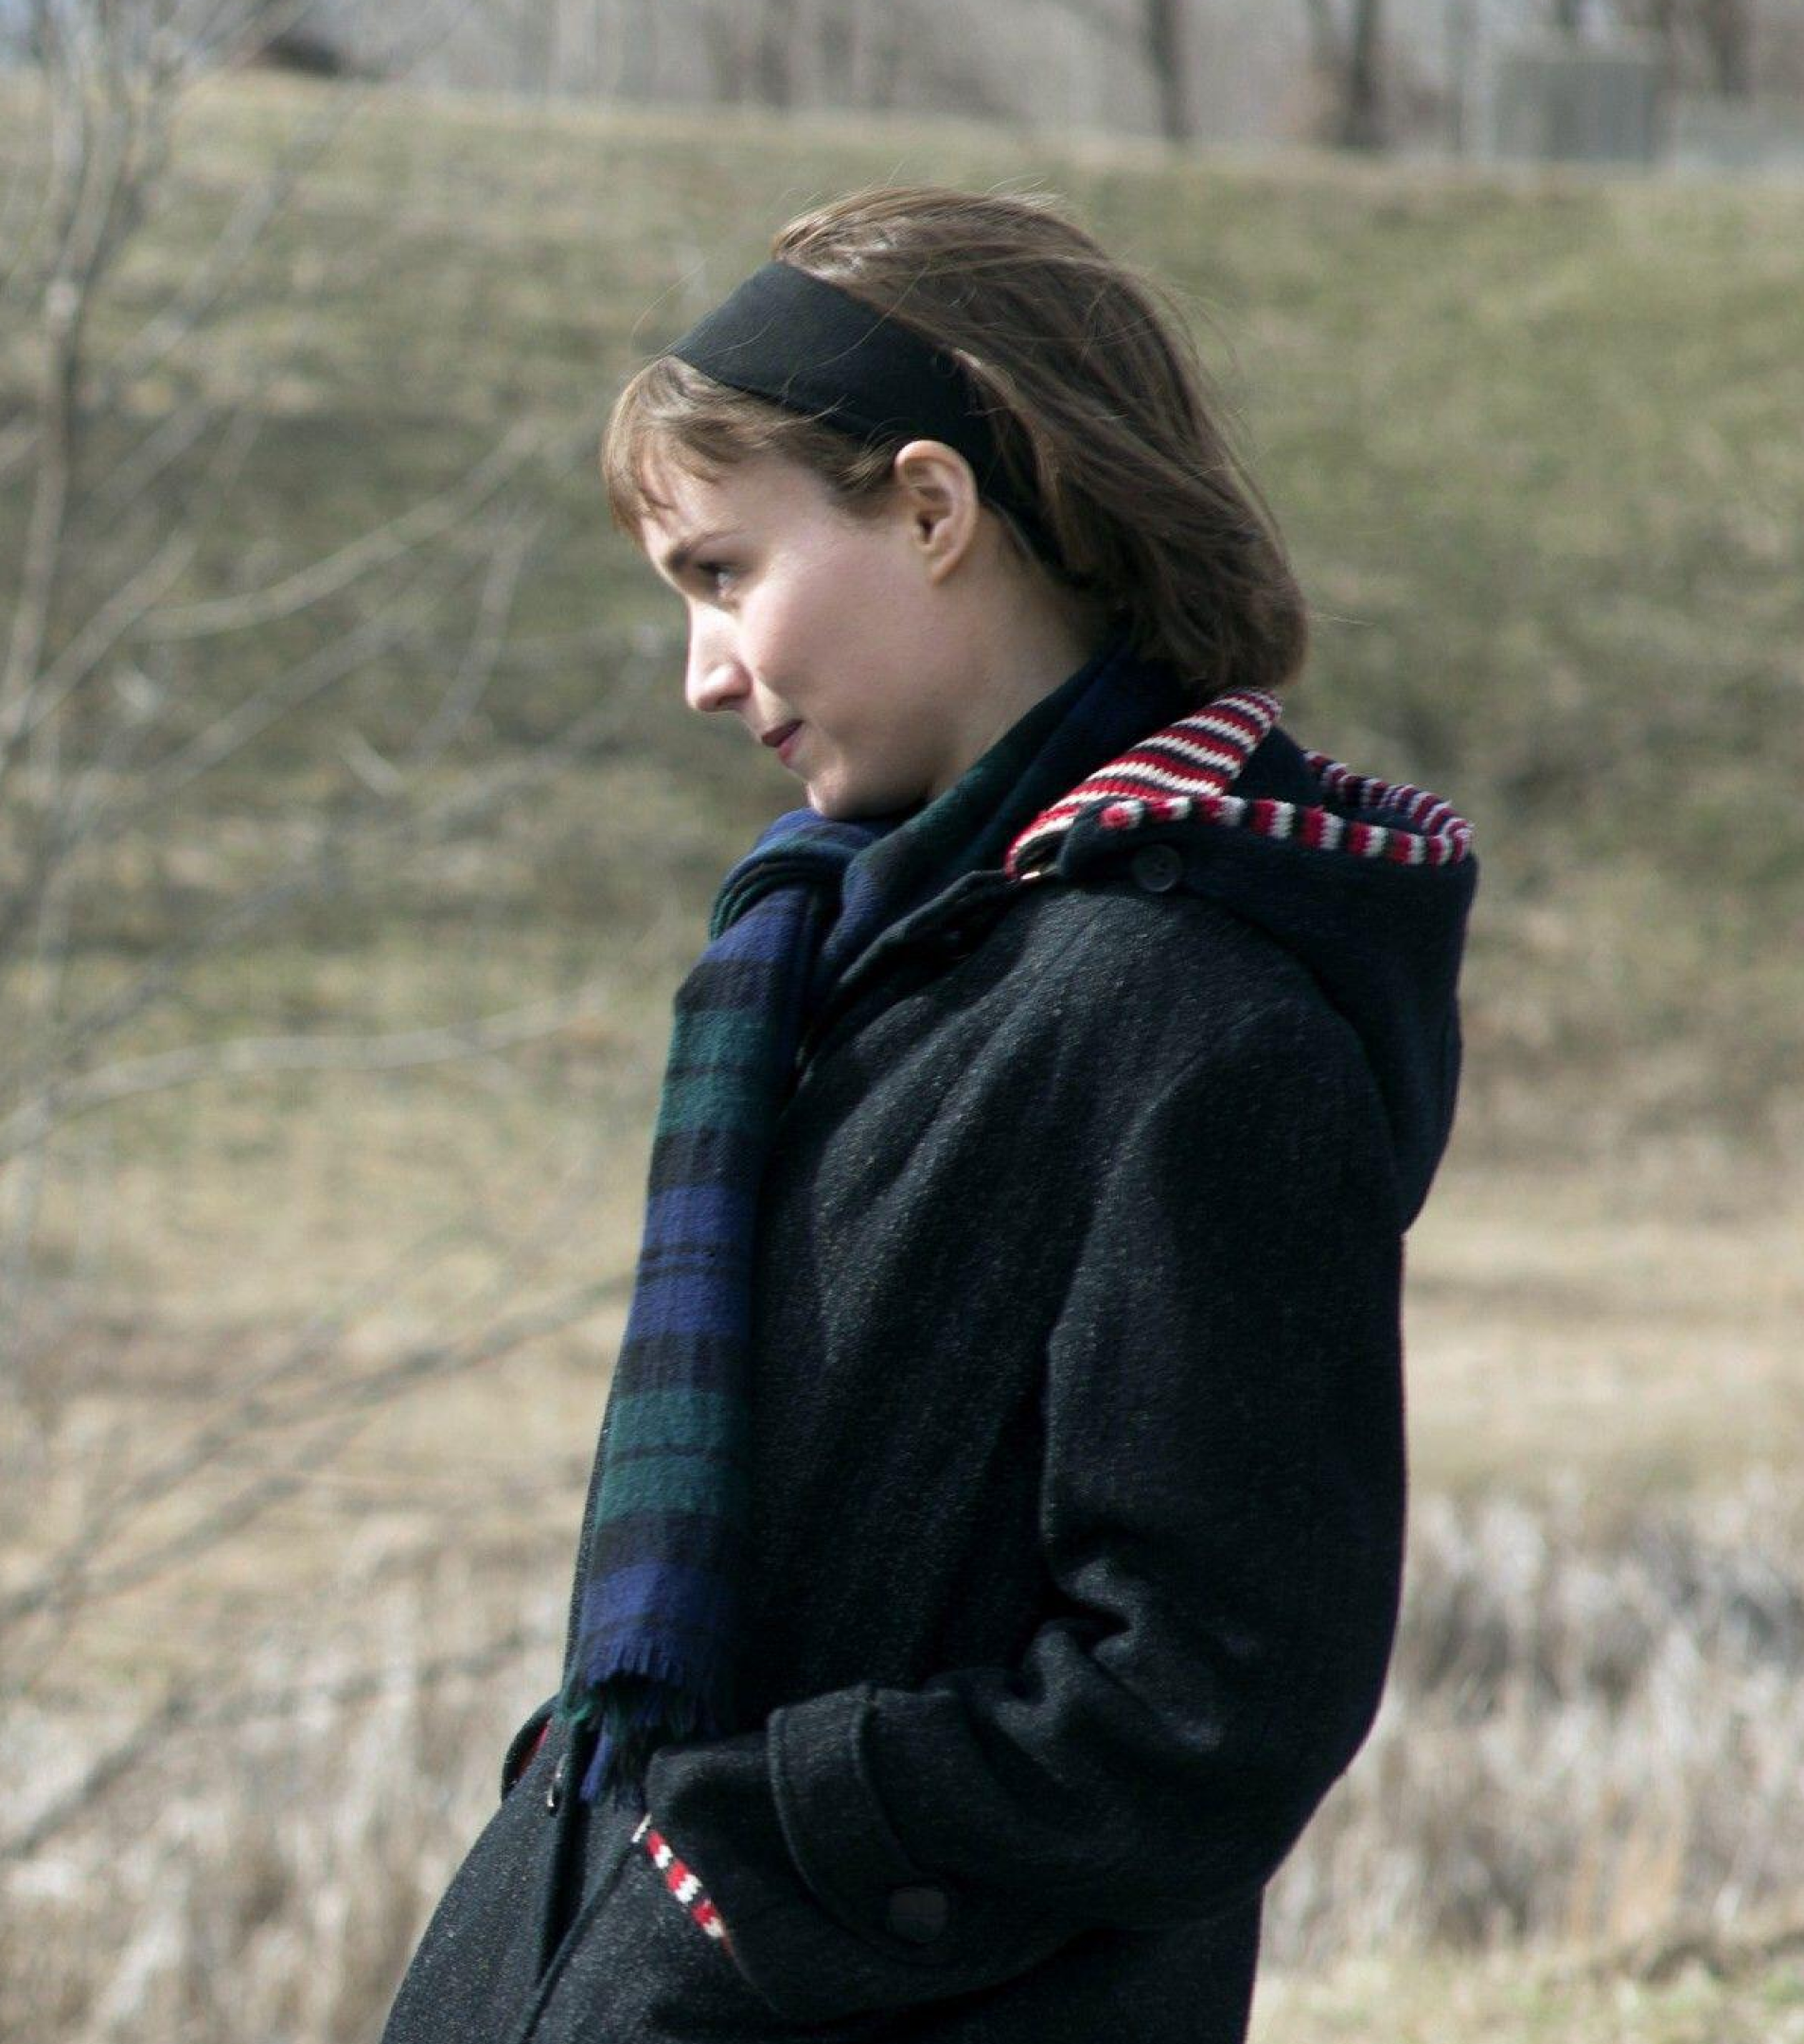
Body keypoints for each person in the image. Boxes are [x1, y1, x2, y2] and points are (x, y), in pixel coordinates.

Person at [380, 187, 1477, 2043]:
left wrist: (736, 1872)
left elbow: (1209, 1702)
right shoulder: (860, 962)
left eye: (724, 574)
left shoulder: (1191, 1020)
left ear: (934, 507)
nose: (702, 672)